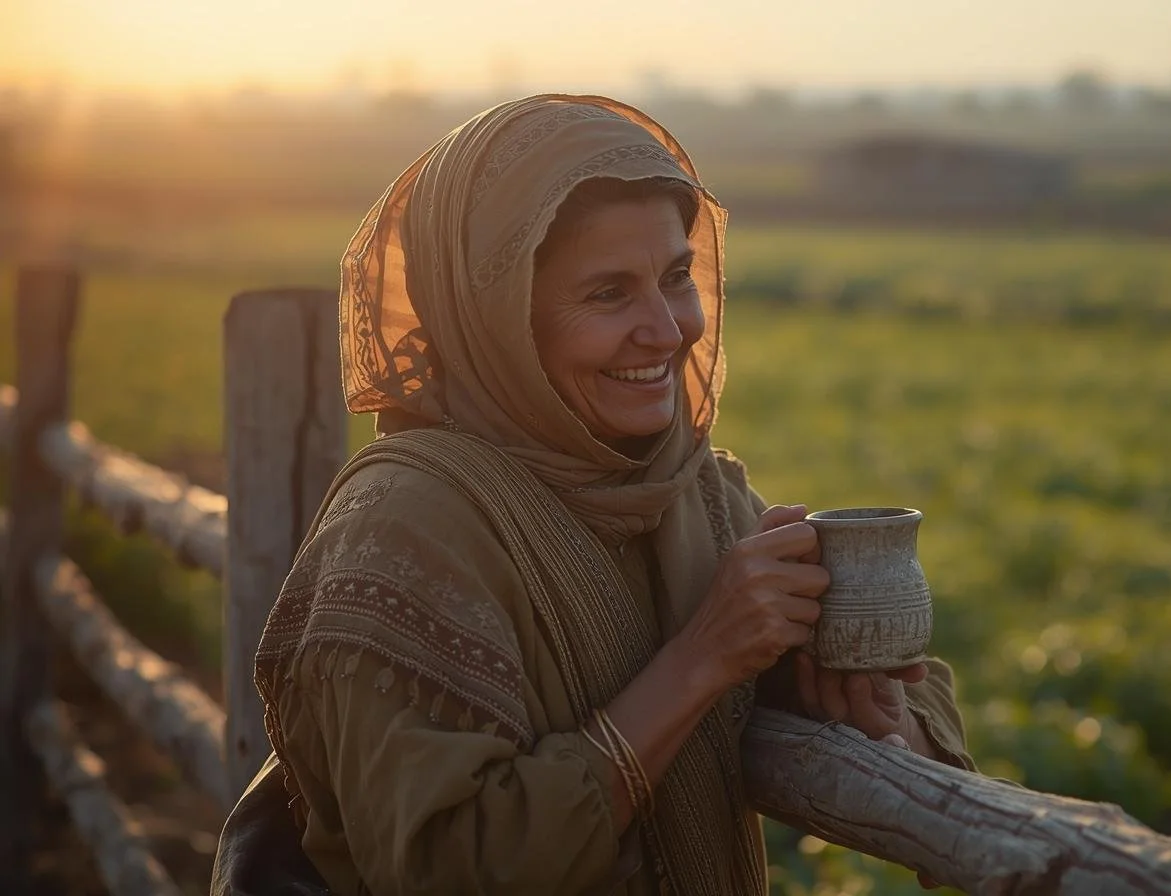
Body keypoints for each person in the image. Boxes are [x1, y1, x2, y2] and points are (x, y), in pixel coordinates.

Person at [211, 94, 974, 896]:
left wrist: (860, 700)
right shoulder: (405, 527)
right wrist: (703, 658)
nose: (668, 329)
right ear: (498, 319)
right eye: (608, 293)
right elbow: (448, 867)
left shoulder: (697, 493)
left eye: (676, 277)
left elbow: (911, 719)